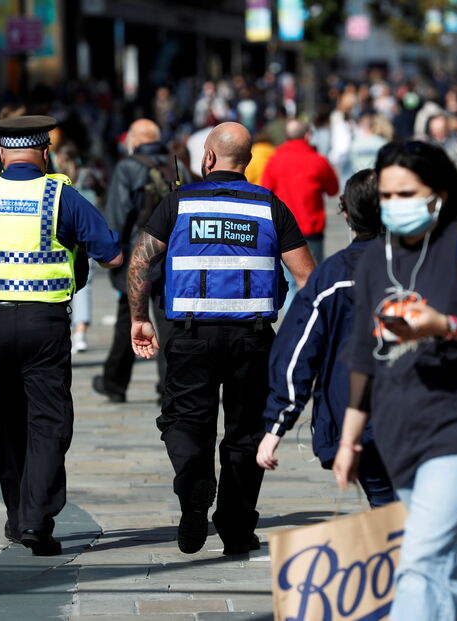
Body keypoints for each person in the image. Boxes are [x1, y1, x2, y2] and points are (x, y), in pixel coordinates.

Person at [333, 141, 457, 619]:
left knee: (422, 564)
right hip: (400, 435)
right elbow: (363, 357)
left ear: (438, 193)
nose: (395, 205)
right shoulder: (374, 261)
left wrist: (445, 326)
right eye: (386, 196)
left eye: (407, 193)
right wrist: (348, 442)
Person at [0, 115, 122, 555]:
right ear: (45, 153)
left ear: (1, 154)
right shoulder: (61, 195)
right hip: (45, 325)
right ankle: (35, 519)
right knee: (49, 422)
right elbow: (112, 254)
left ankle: (17, 514)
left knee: (3, 421)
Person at [125, 122, 315, 556]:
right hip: (253, 339)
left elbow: (140, 262)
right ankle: (235, 526)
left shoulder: (179, 202)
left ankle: (194, 486)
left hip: (190, 336)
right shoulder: (270, 207)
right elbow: (308, 278)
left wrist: (139, 317)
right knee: (247, 433)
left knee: (185, 421)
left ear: (207, 157)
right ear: (247, 162)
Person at [256, 170, 394, 507]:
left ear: (346, 213)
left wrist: (276, 426)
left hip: (357, 418)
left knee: (385, 504)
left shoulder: (332, 275)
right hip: (426, 415)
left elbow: (299, 352)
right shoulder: (427, 265)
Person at [93, 119, 185, 402]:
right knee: (169, 320)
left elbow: (117, 217)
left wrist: (111, 254)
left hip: (138, 256)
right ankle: (169, 387)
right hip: (173, 254)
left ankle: (115, 381)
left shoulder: (128, 167)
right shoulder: (176, 164)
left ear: (133, 140)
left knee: (129, 317)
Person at [53, 141, 107, 354]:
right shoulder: (90, 175)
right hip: (86, 237)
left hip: (62, 238)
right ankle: (80, 333)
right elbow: (101, 197)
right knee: (84, 285)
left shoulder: (53, 179)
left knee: (60, 283)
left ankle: (63, 330)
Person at [263, 119, 339, 265]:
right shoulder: (318, 160)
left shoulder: (274, 160)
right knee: (313, 279)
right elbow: (333, 190)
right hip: (311, 229)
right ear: (307, 136)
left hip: (282, 229)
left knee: (288, 283)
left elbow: (266, 192)